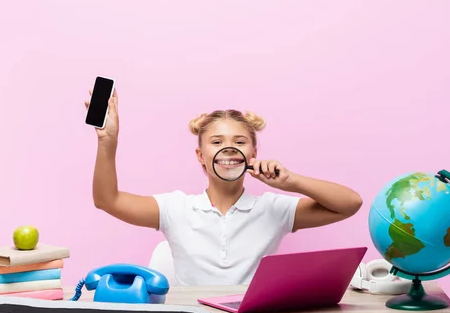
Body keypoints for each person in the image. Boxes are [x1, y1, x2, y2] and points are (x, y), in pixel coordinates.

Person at [85, 89, 363, 286]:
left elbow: (350, 203)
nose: (229, 148)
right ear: (200, 156)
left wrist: (291, 181)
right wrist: (107, 141)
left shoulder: (273, 209)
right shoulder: (175, 209)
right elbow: (107, 200)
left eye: (240, 142)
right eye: (217, 142)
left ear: (253, 152)